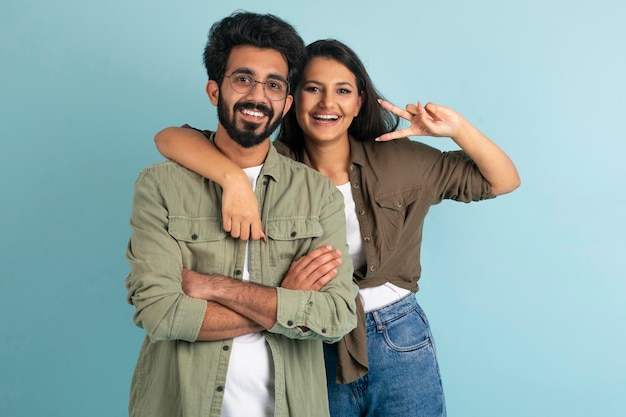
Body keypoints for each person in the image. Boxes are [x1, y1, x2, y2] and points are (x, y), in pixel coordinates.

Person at [155, 39, 521, 417]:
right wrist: (232, 179)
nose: (327, 104)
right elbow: (169, 138)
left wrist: (456, 128)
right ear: (292, 100)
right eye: (313, 88)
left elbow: (503, 180)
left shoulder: (399, 158)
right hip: (306, 335)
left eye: (342, 91)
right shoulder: (270, 163)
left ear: (359, 101)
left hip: (396, 335)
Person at [125, 14, 360, 417]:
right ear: (214, 90)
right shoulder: (160, 185)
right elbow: (160, 313)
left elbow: (336, 315)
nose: (257, 95)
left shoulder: (316, 193)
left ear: (286, 103)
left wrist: (215, 288)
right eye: (243, 79)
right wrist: (285, 300)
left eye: (273, 84)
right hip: (181, 405)